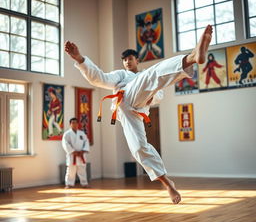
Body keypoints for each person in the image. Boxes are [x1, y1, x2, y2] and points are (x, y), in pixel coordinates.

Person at [64, 24, 213, 204]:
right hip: (124, 107)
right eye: (125, 59)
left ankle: (192, 57)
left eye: (131, 58)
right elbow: (100, 78)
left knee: (151, 75)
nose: (127, 62)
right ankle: (167, 183)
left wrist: (151, 99)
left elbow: (158, 93)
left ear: (137, 60)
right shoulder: (120, 75)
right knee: (138, 149)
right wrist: (79, 58)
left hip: (139, 107)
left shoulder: (143, 75)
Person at [62, 117, 90, 188]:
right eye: (73, 123)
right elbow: (65, 144)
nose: (74, 124)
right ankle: (69, 184)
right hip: (72, 155)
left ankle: (84, 183)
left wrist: (83, 150)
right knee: (71, 170)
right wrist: (73, 151)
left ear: (78, 124)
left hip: (81, 154)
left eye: (76, 123)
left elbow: (86, 142)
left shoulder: (82, 133)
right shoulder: (67, 134)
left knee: (82, 170)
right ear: (70, 124)